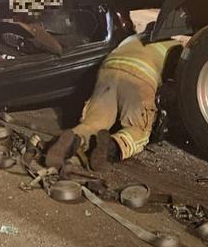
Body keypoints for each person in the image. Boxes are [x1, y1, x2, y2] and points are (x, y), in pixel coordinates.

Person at [46, 27, 184, 171]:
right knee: (138, 128)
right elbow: (176, 88)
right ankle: (110, 148)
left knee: (93, 123)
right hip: (140, 77)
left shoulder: (131, 39)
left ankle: (74, 137)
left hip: (108, 71)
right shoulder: (176, 47)